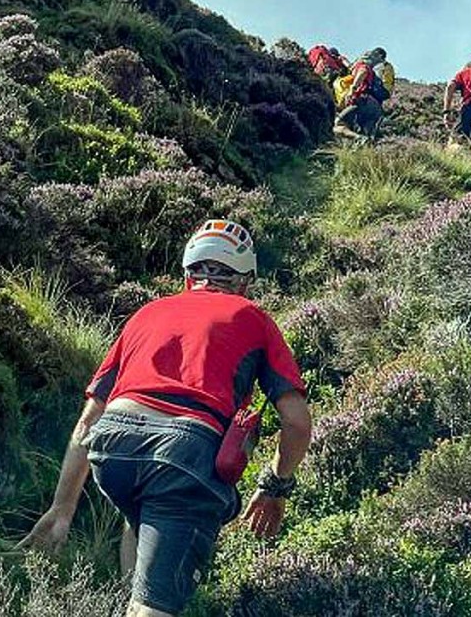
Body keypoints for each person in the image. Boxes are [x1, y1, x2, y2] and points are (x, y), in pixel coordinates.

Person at [19, 220, 313, 617]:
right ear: (245, 281)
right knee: (154, 608)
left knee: (141, 517)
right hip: (184, 453)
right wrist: (275, 488)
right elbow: (296, 422)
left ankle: (132, 597)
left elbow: (88, 422)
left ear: (188, 274)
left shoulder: (147, 314)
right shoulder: (252, 318)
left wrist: (62, 510)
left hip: (113, 448)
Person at [335, 47, 386, 138]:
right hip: (376, 106)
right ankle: (364, 144)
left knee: (338, 124)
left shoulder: (362, 65)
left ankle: (359, 138)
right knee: (366, 132)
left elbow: (363, 71)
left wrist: (353, 88)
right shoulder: (373, 72)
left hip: (362, 101)